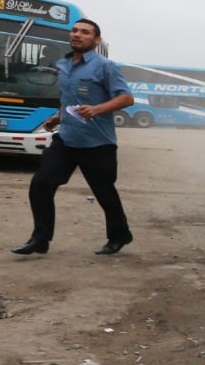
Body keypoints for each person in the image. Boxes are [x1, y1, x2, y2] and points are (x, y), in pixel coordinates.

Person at [11, 19, 136, 255]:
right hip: (66, 140)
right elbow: (69, 98)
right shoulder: (63, 64)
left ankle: (120, 235)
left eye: (85, 32)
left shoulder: (105, 66)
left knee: (104, 191)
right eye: (75, 30)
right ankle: (40, 239)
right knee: (41, 184)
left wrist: (97, 109)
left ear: (96, 40)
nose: (77, 35)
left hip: (97, 142)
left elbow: (126, 98)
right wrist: (58, 118)